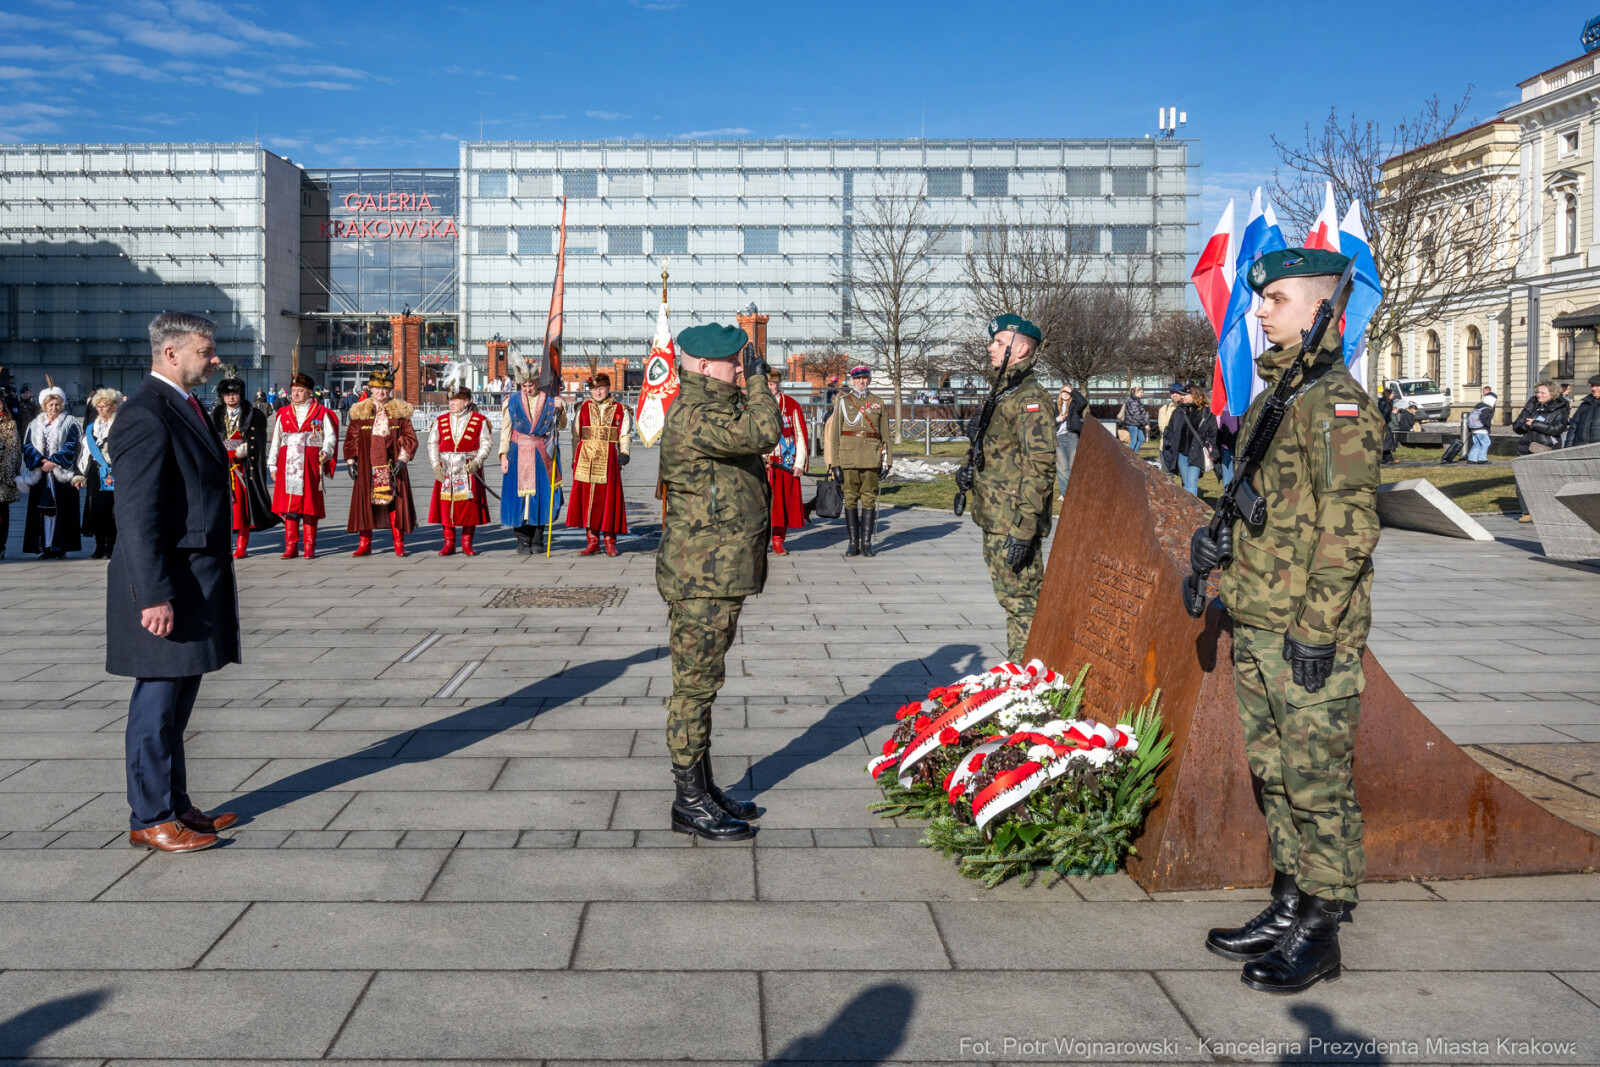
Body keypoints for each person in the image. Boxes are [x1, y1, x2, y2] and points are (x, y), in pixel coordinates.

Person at [1188, 248, 1382, 995]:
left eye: (1275, 298)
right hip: (1259, 613)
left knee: (1317, 779)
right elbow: (1267, 499)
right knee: (1274, 772)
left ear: (1320, 311)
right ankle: (1290, 900)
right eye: (1261, 298)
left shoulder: (1336, 401)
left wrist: (1317, 626)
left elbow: (1349, 525)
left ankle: (1323, 926)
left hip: (1306, 626)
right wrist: (1218, 536)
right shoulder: (1280, 395)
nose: (1259, 310)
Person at [108, 312, 240, 853]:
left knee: (179, 700)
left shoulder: (182, 404)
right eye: (206, 352)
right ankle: (150, 816)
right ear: (171, 354)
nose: (214, 361)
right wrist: (154, 593)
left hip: (193, 578)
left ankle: (176, 804)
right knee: (157, 703)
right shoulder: (145, 413)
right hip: (167, 585)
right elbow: (137, 515)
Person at [657, 322, 780, 840]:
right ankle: (688, 802)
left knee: (705, 685)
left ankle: (703, 789)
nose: (741, 368)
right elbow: (763, 432)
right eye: (734, 362)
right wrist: (758, 384)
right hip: (701, 574)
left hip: (716, 570)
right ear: (705, 366)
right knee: (694, 689)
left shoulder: (710, 407)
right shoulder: (695, 412)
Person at [954, 314, 1055, 664]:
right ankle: (1021, 675)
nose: (990, 348)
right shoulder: (1005, 390)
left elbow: (1039, 466)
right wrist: (970, 471)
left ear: (1021, 348)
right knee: (1012, 600)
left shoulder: (1030, 398)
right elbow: (1000, 451)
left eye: (999, 342)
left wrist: (1025, 528)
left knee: (1023, 605)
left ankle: (1029, 682)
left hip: (1012, 523)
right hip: (996, 517)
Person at [344, 367, 418, 558]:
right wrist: (351, 462)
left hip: (391, 465)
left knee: (394, 505)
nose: (380, 392)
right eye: (377, 388)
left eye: (384, 389)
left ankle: (399, 544)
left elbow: (410, 438)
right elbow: (351, 438)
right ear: (371, 388)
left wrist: (403, 458)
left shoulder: (399, 411)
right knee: (365, 505)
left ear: (390, 389)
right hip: (366, 465)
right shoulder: (360, 410)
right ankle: (365, 544)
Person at [499, 359, 567, 554]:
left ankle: (537, 540)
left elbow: (560, 425)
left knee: (542, 497)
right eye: (524, 386)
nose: (528, 388)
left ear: (537, 382)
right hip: (517, 453)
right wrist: (503, 455)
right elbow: (506, 430)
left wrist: (561, 409)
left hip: (541, 454)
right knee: (517, 499)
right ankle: (522, 540)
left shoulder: (550, 400)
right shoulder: (511, 401)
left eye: (531, 385)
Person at [267, 372, 337, 559]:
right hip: (288, 463)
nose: (295, 394)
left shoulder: (321, 412)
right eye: (293, 391)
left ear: (309, 392)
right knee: (289, 506)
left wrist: (327, 451)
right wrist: (272, 465)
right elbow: (276, 440)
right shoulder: (283, 413)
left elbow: (330, 436)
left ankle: (309, 546)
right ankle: (290, 545)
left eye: (299, 391)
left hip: (310, 463)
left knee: (309, 505)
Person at [825, 365, 890, 557]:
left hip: (871, 456)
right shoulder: (843, 402)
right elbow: (835, 436)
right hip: (849, 456)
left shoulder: (878, 402)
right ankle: (853, 543)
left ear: (869, 380)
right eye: (858, 379)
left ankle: (867, 543)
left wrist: (887, 461)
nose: (861, 382)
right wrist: (835, 463)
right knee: (851, 499)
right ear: (852, 381)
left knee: (869, 498)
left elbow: (885, 434)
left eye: (864, 378)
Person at [210, 377, 277, 558]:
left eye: (234, 394)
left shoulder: (253, 415)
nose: (231, 397)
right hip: (222, 469)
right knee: (222, 509)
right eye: (227, 394)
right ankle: (224, 543)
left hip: (243, 469)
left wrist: (243, 450)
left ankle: (241, 545)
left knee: (241, 508)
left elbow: (259, 441)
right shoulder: (215, 415)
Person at [566, 372, 631, 557]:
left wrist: (625, 452)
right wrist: (574, 459)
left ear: (608, 388)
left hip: (609, 458)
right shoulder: (583, 408)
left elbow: (624, 433)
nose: (598, 392)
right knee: (588, 501)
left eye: (601, 389)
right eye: (594, 389)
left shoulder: (620, 409)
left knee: (608, 500)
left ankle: (610, 541)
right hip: (586, 459)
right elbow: (575, 435)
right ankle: (592, 541)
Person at [427, 385, 493, 556]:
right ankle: (448, 542)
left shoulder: (479, 420)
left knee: (468, 506)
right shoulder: (440, 421)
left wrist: (477, 462)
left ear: (466, 401)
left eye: (455, 400)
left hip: (468, 468)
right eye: (450, 399)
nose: (451, 403)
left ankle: (466, 542)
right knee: (445, 504)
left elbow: (486, 443)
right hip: (447, 468)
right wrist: (435, 465)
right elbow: (432, 443)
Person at [20, 384, 81, 559]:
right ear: (44, 406)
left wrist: (54, 461)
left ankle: (60, 546)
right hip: (41, 475)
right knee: (43, 511)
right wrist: (41, 462)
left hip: (61, 474)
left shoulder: (70, 422)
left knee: (62, 510)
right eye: (50, 405)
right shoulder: (35, 424)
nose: (54, 408)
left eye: (57, 404)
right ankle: (45, 546)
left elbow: (73, 445)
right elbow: (28, 446)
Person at [766, 368, 810, 555]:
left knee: (782, 505)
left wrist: (799, 464)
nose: (770, 387)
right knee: (761, 505)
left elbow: (800, 435)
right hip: (763, 463)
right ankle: (759, 541)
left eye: (773, 383)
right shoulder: (753, 404)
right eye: (767, 383)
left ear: (779, 384)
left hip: (785, 462)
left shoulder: (791, 405)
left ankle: (778, 540)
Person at [73, 387, 121, 559]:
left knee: (112, 511)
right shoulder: (92, 427)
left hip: (113, 472)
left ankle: (111, 546)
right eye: (99, 406)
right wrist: (80, 474)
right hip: (95, 473)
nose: (101, 409)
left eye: (105, 406)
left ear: (114, 406)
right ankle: (99, 546)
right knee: (97, 510)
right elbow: (84, 452)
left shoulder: (120, 425)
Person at [1162, 384, 1217, 497]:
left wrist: (1214, 449)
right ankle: (1187, 509)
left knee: (1191, 483)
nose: (1182, 397)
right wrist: (1168, 442)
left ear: (1195, 395)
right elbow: (1170, 429)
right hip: (1181, 453)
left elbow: (1213, 432)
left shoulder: (1206, 413)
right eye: (1182, 395)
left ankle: (1193, 510)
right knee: (1186, 483)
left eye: (1185, 394)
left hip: (1196, 452)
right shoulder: (1178, 411)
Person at [1055, 381, 1088, 496]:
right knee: (1062, 467)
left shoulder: (1074, 405)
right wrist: (1057, 420)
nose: (1065, 393)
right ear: (1060, 393)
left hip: (1072, 436)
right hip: (1058, 437)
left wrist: (1073, 391)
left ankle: (1073, 491)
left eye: (1067, 391)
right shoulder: (1054, 406)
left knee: (1073, 466)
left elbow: (1083, 402)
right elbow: (1046, 421)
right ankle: (1064, 493)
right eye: (1063, 391)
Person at [0, 377, 19, 560]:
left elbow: (13, 451)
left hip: (2, 478)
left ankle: (1, 544)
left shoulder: (9, 425)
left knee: (2, 512)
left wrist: (5, 471)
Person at [1567, 374, 1600, 448]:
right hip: (1580, 447)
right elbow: (1573, 426)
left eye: (1597, 386)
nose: (1593, 388)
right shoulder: (1584, 405)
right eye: (1592, 386)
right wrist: (1568, 447)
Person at [1465, 385, 1496, 464]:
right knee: (1486, 442)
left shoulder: (1478, 407)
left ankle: (1472, 459)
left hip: (1474, 429)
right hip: (1481, 429)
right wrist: (1488, 425)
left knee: (1477, 444)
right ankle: (1482, 459)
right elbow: (1484, 419)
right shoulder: (1486, 409)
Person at [1121, 385, 1150, 456]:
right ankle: (1128, 456)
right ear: (1136, 392)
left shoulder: (1135, 400)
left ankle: (1134, 453)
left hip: (1136, 423)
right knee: (1133, 441)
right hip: (1133, 423)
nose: (1142, 394)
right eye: (1141, 392)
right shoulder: (1134, 401)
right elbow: (1137, 415)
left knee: (1141, 439)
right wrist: (1145, 424)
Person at [1377, 387, 1397, 465]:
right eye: (1392, 393)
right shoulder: (1383, 402)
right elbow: (1382, 413)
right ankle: (1387, 458)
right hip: (1383, 423)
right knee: (1386, 440)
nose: (1393, 395)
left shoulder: (1388, 402)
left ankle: (1388, 457)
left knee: (1387, 441)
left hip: (1385, 423)